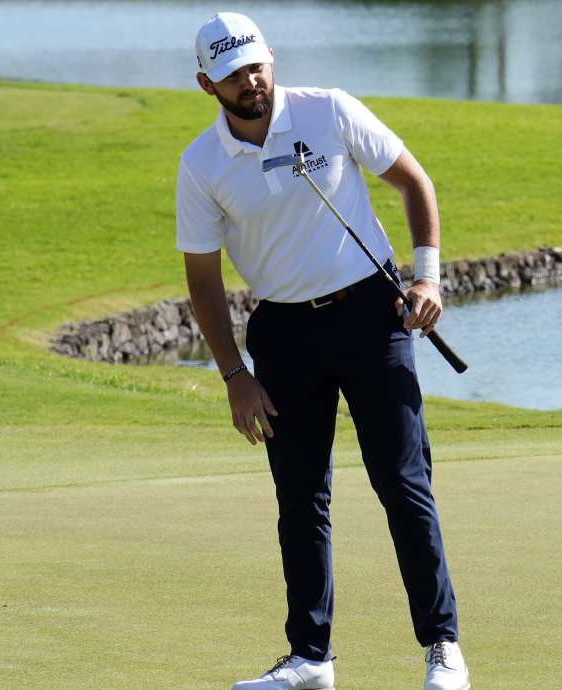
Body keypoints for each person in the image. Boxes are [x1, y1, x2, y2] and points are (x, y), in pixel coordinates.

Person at [175, 12, 469, 690]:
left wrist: (427, 278)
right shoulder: (201, 164)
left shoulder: (329, 111)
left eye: (256, 66)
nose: (250, 81)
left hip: (372, 317)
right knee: (301, 497)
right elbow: (203, 279)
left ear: (271, 59)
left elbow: (414, 182)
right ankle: (311, 658)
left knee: (402, 482)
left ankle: (443, 647)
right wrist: (234, 376)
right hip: (284, 334)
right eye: (233, 74)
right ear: (207, 84)